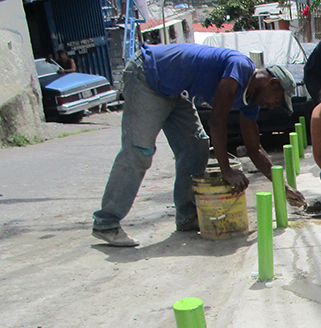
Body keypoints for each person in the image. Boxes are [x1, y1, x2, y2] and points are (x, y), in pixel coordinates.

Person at [93, 43, 306, 247]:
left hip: (176, 91)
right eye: (277, 99)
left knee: (195, 146)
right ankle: (107, 223)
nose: (272, 105)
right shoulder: (239, 66)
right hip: (149, 75)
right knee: (139, 151)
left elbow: (254, 148)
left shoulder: (251, 102)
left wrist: (283, 187)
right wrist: (226, 170)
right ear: (273, 83)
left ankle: (187, 216)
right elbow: (216, 120)